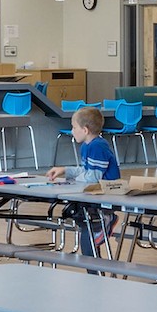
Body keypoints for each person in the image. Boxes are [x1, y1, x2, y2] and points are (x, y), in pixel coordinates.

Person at [47, 105, 121, 256]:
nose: (72, 130)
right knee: (74, 212)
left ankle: (107, 218)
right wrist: (65, 171)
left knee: (81, 218)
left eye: (74, 127)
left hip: (107, 193)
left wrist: (72, 180)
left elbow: (93, 178)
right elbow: (86, 172)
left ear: (85, 130)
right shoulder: (87, 146)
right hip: (95, 192)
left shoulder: (98, 146)